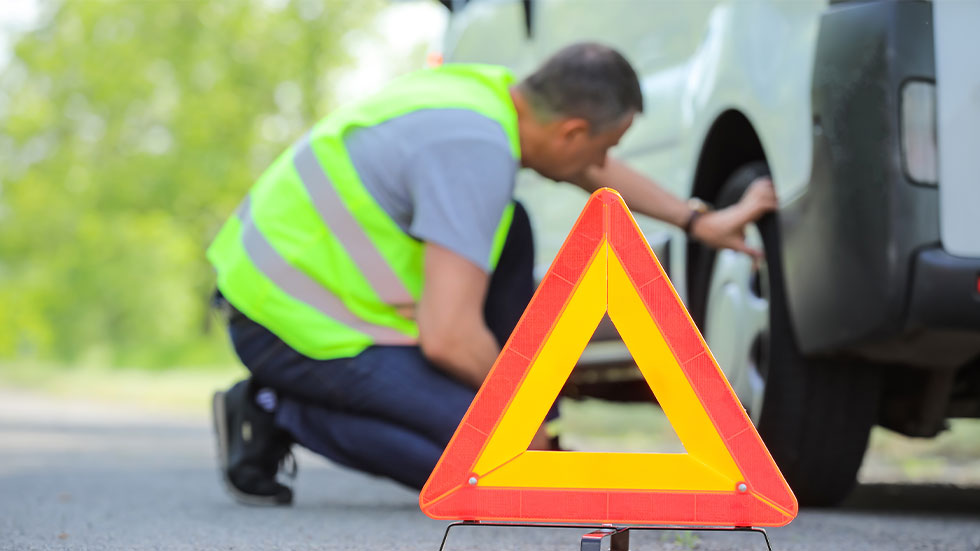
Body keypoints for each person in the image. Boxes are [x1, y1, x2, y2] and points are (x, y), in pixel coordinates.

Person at [207, 42, 777, 506]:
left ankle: (530, 440)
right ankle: (272, 408)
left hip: (337, 298)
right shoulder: (474, 150)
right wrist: (519, 417)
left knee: (515, 225)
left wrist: (696, 221)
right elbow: (449, 337)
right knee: (483, 468)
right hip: (281, 320)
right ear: (572, 131)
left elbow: (588, 172)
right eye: (603, 149)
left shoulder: (490, 95)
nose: (601, 168)